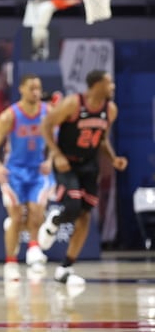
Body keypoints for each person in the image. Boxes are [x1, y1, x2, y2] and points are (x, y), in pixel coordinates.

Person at [38, 70, 128, 284]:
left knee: (85, 216)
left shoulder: (110, 110)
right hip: (67, 162)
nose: (112, 86)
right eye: (109, 82)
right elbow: (46, 125)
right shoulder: (73, 103)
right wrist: (56, 155)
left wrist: (113, 158)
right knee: (73, 206)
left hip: (89, 165)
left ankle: (66, 268)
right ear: (96, 84)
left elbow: (103, 139)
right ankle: (54, 222)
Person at [0, 74, 52, 281]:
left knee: (36, 211)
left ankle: (33, 248)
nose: (36, 92)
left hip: (36, 171)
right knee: (16, 217)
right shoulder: (10, 116)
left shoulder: (47, 113)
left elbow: (55, 141)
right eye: (32, 88)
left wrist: (50, 160)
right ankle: (11, 263)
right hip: (14, 171)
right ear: (21, 89)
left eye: (38, 88)